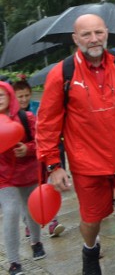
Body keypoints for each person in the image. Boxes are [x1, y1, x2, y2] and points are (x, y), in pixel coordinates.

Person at [36, 14, 115, 275]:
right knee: (92, 220)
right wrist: (53, 165)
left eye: (98, 32)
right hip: (87, 164)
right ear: (75, 39)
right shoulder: (62, 73)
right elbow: (47, 124)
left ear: (107, 33)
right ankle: (90, 249)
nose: (93, 39)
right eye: (86, 34)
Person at [0, 81, 45, 275]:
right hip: (4, 177)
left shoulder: (25, 117)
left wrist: (27, 149)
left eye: (1, 95)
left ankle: (36, 241)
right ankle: (14, 262)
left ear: (10, 96)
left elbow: (40, 142)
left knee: (32, 211)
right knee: (10, 212)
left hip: (28, 172)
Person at [12, 79, 65, 240]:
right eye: (20, 96)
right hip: (19, 168)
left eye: (26, 95)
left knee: (48, 190)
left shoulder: (37, 108)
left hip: (40, 160)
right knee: (25, 199)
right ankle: (28, 223)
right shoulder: (11, 116)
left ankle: (53, 221)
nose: (24, 99)